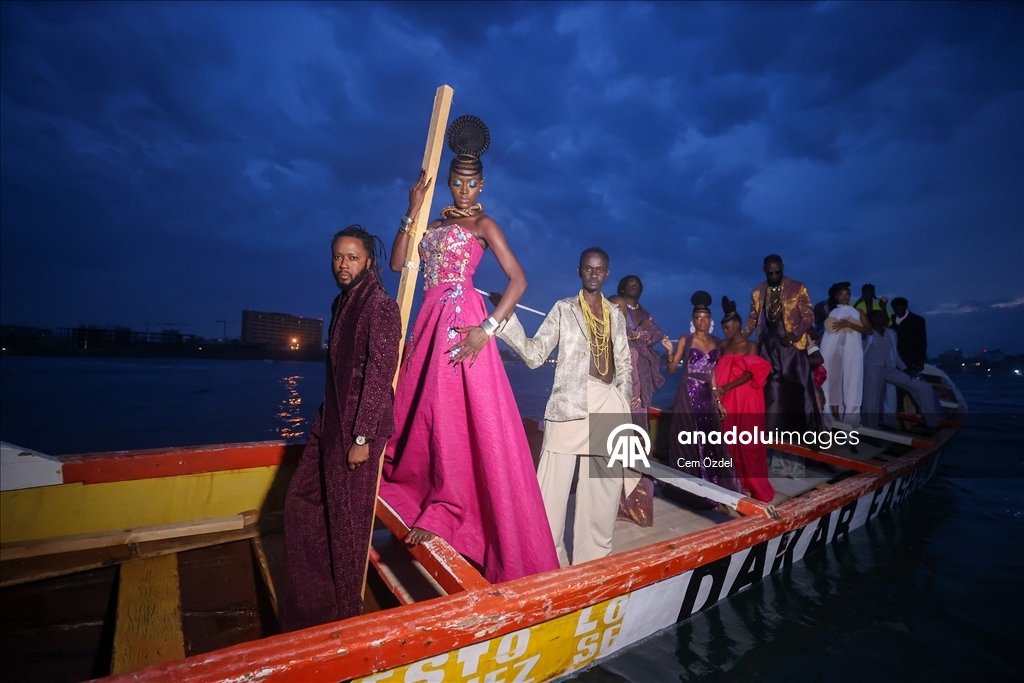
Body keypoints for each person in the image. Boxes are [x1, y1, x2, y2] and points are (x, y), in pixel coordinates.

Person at [380, 116, 558, 583]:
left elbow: (518, 280)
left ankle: (454, 510)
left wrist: (488, 328)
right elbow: (400, 263)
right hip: (427, 322)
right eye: (456, 181)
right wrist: (412, 207)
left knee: (461, 421)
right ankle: (431, 496)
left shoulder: (484, 224)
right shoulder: (434, 224)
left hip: (464, 325)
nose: (463, 188)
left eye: (470, 182)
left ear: (481, 184)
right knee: (423, 413)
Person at [283, 225, 401, 631]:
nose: (343, 264)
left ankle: (346, 621)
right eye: (338, 256)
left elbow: (380, 374)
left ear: (368, 261)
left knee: (348, 527)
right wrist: (322, 421)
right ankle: (317, 607)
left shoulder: (380, 307)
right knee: (302, 505)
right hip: (329, 423)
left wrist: (363, 437)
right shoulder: (340, 304)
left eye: (352, 257)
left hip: (358, 433)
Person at [498, 247, 637, 566]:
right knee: (551, 495)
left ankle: (593, 562)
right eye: (588, 269)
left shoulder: (615, 315)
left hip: (607, 403)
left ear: (607, 274)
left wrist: (622, 400)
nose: (593, 274)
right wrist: (506, 318)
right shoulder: (564, 309)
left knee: (603, 494)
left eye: (599, 270)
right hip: (570, 403)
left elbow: (625, 365)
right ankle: (548, 562)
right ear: (579, 271)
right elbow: (534, 355)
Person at [740, 254, 821, 477]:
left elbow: (808, 315)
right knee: (773, 398)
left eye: (777, 271)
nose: (774, 275)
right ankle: (775, 455)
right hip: (769, 346)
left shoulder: (798, 286)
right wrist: (741, 338)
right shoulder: (758, 291)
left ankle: (805, 448)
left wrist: (794, 334)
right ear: (764, 270)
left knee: (800, 393)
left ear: (782, 268)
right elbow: (753, 319)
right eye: (770, 272)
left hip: (793, 347)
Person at [662, 291, 742, 505]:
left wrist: (718, 401)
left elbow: (712, 373)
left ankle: (713, 485)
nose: (702, 321)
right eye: (698, 318)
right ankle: (689, 488)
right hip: (687, 395)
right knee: (687, 442)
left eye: (705, 318)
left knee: (710, 441)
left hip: (707, 396)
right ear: (692, 321)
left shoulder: (716, 341)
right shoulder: (685, 339)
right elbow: (671, 369)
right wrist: (670, 352)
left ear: (711, 320)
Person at [608, 275, 663, 527]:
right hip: (620, 381)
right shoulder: (613, 303)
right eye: (629, 282)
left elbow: (651, 337)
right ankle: (615, 505)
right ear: (620, 287)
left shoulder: (647, 313)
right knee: (617, 442)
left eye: (638, 283)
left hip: (640, 387)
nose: (634, 285)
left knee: (639, 442)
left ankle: (638, 506)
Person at [714, 296, 774, 502]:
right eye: (723, 327)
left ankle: (753, 483)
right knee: (728, 438)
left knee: (749, 440)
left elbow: (751, 373)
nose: (726, 331)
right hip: (728, 397)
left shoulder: (751, 345)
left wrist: (725, 387)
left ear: (737, 324)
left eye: (728, 327)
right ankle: (732, 481)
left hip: (747, 396)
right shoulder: (723, 345)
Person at [862, 311, 941, 429]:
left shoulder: (891, 333)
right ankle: (869, 431)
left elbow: (895, 355)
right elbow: (858, 354)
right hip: (872, 369)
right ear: (872, 320)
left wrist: (905, 369)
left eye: (884, 316)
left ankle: (932, 422)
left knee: (923, 387)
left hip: (890, 369)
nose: (885, 318)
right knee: (871, 403)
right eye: (881, 316)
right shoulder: (866, 334)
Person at [820, 282, 872, 424]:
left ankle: (851, 419)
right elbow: (828, 336)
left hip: (852, 353)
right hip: (834, 353)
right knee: (833, 381)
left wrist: (850, 325)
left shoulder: (857, 312)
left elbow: (869, 330)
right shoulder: (833, 313)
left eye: (847, 294)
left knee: (853, 381)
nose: (845, 297)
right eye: (841, 294)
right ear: (836, 297)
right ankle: (835, 416)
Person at [890, 297, 928, 372]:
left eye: (901, 308)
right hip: (892, 357)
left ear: (906, 307)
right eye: (896, 309)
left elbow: (921, 341)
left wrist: (920, 360)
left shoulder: (917, 320)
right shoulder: (890, 319)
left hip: (909, 359)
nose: (898, 311)